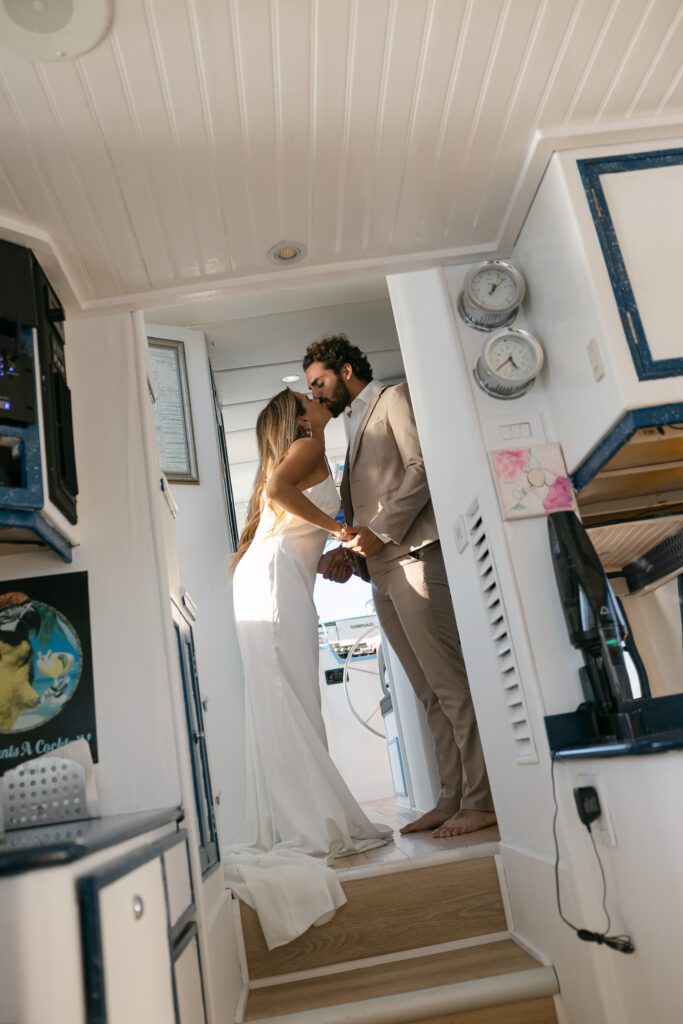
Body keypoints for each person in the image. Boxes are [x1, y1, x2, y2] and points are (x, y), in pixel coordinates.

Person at [303, 335, 496, 839]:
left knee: (450, 685)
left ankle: (484, 799)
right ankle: (451, 797)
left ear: (346, 371)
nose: (316, 394)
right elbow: (370, 504)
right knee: (426, 693)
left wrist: (383, 529)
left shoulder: (393, 400)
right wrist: (350, 550)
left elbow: (422, 466)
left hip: (413, 557)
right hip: (380, 571)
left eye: (319, 382)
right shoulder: (350, 429)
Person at [225, 387, 391, 950]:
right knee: (288, 695)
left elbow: (279, 510)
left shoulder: (300, 447)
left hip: (270, 577)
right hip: (273, 582)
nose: (319, 397)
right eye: (309, 396)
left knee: (285, 697)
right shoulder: (310, 439)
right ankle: (308, 820)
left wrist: (325, 538)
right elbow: (278, 491)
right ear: (298, 416)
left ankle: (302, 815)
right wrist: (340, 527)